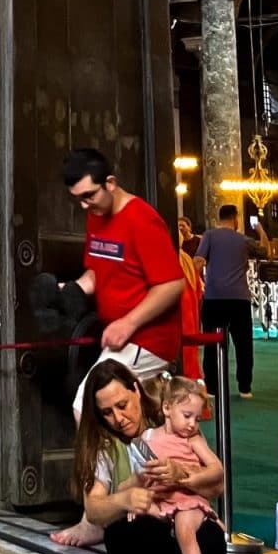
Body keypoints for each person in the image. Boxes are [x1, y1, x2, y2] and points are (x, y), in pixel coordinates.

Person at [48, 359, 225, 554]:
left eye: (122, 405)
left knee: (209, 539)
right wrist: (125, 499)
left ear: (136, 391)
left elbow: (216, 487)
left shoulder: (172, 418)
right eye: (107, 412)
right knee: (120, 534)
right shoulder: (103, 442)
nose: (118, 417)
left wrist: (181, 475)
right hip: (144, 525)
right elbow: (94, 508)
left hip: (186, 520)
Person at [60, 147, 184, 380]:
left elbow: (172, 284)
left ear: (110, 183)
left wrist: (128, 323)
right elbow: (97, 271)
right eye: (78, 199)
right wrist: (70, 290)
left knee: (88, 404)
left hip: (148, 340)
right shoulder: (96, 215)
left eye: (89, 196)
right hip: (121, 338)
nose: (84, 205)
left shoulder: (142, 219)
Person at [137, 377, 222, 554]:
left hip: (187, 501)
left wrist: (192, 476)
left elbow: (217, 469)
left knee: (185, 530)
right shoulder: (148, 436)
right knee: (137, 511)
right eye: (187, 415)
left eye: (197, 419)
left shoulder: (193, 439)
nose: (192, 424)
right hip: (159, 500)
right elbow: (140, 473)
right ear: (167, 408)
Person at [194, 204, 259, 398]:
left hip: (214, 298)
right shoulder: (244, 240)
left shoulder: (210, 236)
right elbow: (265, 250)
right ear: (236, 218)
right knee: (243, 344)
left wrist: (196, 283)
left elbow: (198, 261)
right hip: (239, 299)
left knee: (212, 343)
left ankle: (212, 387)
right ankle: (244, 387)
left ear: (219, 217)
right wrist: (260, 230)